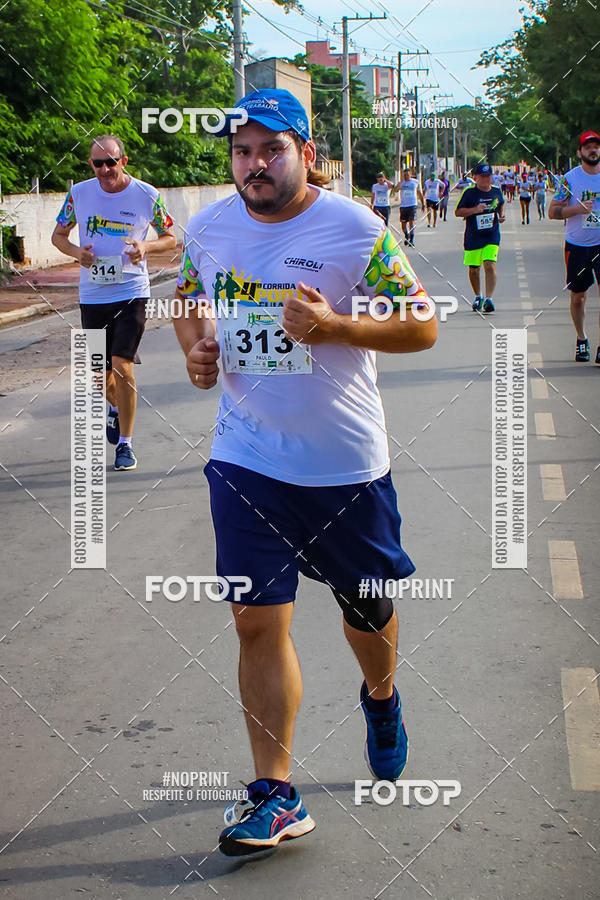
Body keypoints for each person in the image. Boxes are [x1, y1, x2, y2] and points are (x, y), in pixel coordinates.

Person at [173, 88, 437, 857]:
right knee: (255, 619)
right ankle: (275, 795)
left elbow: (421, 323)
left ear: (306, 154)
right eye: (242, 152)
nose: (254, 165)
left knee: (366, 608)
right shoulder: (209, 228)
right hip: (246, 458)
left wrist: (337, 325)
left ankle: (381, 698)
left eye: (271, 150)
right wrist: (196, 349)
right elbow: (187, 299)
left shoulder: (355, 227)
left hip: (345, 466)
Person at [52, 135, 176, 470]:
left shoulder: (146, 194)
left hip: (132, 291)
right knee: (100, 373)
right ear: (90, 164)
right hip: (93, 294)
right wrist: (77, 253)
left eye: (111, 162)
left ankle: (125, 444)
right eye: (98, 163)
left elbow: (170, 237)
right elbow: (58, 236)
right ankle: (116, 407)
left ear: (123, 161)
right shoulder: (79, 194)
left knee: (122, 365)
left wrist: (145, 247)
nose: (105, 169)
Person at [549, 130, 600, 363]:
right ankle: (581, 339)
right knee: (578, 296)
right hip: (577, 246)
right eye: (588, 147)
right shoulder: (569, 180)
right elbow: (553, 212)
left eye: (596, 146)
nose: (593, 150)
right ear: (580, 152)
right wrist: (577, 209)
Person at [455, 161, 505, 313]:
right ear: (475, 177)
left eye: (488, 176)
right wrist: (475, 210)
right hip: (473, 236)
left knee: (490, 264)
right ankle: (478, 296)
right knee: (474, 269)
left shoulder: (496, 191)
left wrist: (502, 214)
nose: (485, 179)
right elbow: (458, 212)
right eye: (482, 176)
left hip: (491, 235)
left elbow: (501, 204)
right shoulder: (469, 193)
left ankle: (489, 299)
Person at [395, 167, 424, 246]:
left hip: (412, 205)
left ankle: (412, 239)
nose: (406, 177)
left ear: (410, 174)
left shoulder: (415, 182)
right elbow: (396, 190)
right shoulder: (402, 183)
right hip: (403, 206)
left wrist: (423, 203)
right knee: (403, 224)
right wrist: (400, 182)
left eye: (407, 175)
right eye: (404, 175)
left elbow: (419, 193)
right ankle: (406, 235)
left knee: (411, 222)